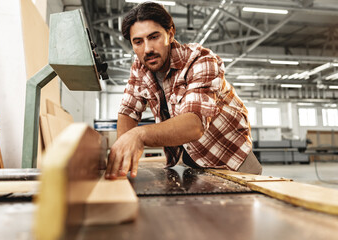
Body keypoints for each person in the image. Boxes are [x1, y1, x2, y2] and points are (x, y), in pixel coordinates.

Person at [105, 2, 262, 180]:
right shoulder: (140, 67)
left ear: (170, 34)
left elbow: (194, 125)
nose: (147, 49)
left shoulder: (200, 60)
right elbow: (128, 111)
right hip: (192, 160)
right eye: (138, 42)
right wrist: (122, 154)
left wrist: (139, 135)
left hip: (231, 160)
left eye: (154, 37)